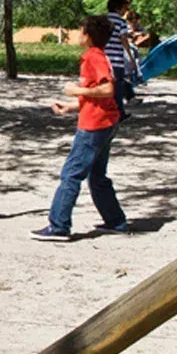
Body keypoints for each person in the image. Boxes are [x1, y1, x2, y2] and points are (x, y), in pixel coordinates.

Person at [33, 14, 131, 241]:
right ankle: (116, 221)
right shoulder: (99, 56)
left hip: (94, 125)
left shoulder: (92, 58)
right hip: (106, 121)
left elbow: (107, 90)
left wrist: (76, 91)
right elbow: (98, 96)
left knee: (71, 174)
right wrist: (70, 106)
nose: (78, 34)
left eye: (81, 30)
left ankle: (58, 226)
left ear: (87, 36)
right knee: (97, 176)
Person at [104, 0, 143, 119]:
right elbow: (124, 40)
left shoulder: (102, 20)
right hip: (116, 60)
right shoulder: (121, 22)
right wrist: (131, 58)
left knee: (104, 84)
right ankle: (119, 113)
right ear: (117, 9)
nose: (125, 11)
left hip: (103, 58)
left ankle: (104, 111)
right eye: (123, 9)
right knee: (118, 86)